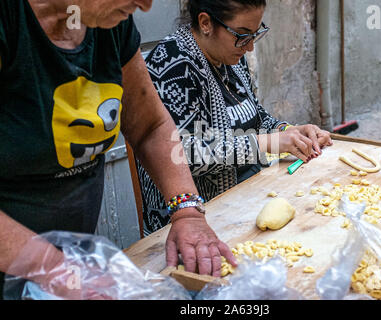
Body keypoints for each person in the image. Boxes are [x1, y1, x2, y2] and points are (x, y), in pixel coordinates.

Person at [0, 0, 237, 299]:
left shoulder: (108, 24)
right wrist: (52, 268)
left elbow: (149, 125)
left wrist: (187, 211)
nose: (146, 5)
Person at [137, 0, 333, 235]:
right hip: (196, 218)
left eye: (254, 34)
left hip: (248, 196)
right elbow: (180, 154)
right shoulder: (173, 63)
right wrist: (269, 142)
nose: (249, 48)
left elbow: (256, 118)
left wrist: (289, 131)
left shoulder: (231, 57)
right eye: (242, 35)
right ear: (206, 23)